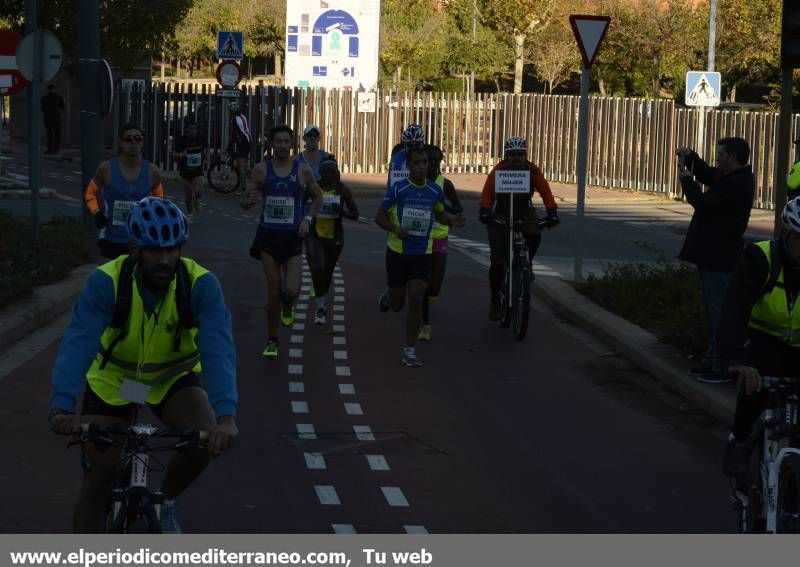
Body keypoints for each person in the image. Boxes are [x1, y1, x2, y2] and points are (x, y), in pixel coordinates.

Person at [48, 196, 238, 534]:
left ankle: (165, 502)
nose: (164, 259)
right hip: (114, 380)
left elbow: (218, 350)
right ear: (135, 250)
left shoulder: (201, 286)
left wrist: (226, 418)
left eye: (172, 249)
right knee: (99, 481)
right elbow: (79, 342)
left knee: (201, 441)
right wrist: (62, 406)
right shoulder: (106, 282)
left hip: (170, 380)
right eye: (154, 250)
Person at [716, 197, 800, 491]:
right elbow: (733, 310)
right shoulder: (761, 258)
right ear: (787, 234)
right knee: (755, 377)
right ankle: (738, 441)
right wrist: (736, 360)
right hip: (763, 345)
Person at [375, 145, 465, 367]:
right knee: (398, 304)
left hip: (421, 252)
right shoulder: (398, 190)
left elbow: (440, 215)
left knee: (416, 296)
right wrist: (395, 230)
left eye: (425, 163)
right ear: (408, 166)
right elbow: (379, 217)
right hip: (397, 252)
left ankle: (409, 349)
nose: (422, 167)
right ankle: (389, 295)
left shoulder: (434, 191)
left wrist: (452, 220)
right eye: (417, 163)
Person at [240, 125, 323, 359]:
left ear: (292, 144)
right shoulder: (261, 170)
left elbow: (319, 198)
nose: (283, 145)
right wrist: (249, 200)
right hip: (268, 236)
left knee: (291, 290)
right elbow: (244, 203)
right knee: (274, 290)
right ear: (272, 144)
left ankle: (289, 304)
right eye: (278, 141)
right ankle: (272, 340)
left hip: (293, 237)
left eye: (287, 141)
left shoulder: (303, 171)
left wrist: (308, 219)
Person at [676, 137, 755, 383]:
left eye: (720, 154)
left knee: (719, 313)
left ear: (732, 157)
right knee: (715, 312)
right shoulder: (732, 178)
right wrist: (691, 158)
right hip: (713, 255)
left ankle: (721, 366)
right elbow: (710, 175)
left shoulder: (737, 184)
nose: (717, 159)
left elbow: (704, 203)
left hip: (718, 257)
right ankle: (712, 360)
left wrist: (686, 181)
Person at [479, 136, 559, 322]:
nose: (516, 158)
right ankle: (495, 301)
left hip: (525, 211)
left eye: (520, 154)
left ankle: (527, 262)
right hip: (501, 213)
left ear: (526, 155)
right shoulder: (498, 170)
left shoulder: (532, 170)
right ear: (506, 156)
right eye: (512, 154)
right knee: (498, 262)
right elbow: (487, 194)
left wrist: (552, 212)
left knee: (535, 232)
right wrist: (485, 211)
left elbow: (545, 192)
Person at [84, 123, 165, 260]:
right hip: (111, 239)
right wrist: (97, 213)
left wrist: (153, 216)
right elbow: (90, 193)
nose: (133, 142)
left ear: (142, 142)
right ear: (121, 143)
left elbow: (159, 198)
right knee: (108, 280)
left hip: (141, 239)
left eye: (137, 139)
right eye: (128, 139)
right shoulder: (106, 168)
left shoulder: (152, 171)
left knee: (138, 280)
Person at [306, 158, 359, 325]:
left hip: (335, 236)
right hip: (315, 234)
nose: (329, 175)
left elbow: (355, 214)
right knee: (318, 267)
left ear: (337, 173)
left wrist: (341, 211)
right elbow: (299, 204)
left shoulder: (343, 190)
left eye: (332, 172)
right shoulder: (313, 188)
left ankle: (322, 297)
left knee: (327, 272)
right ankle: (320, 307)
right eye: (326, 172)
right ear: (320, 173)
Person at [418, 144, 462, 341]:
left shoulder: (446, 184)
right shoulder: (416, 182)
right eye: (430, 160)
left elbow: (458, 207)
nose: (434, 164)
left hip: (439, 237)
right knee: (422, 283)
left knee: (435, 285)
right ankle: (425, 324)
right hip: (419, 238)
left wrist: (443, 207)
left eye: (437, 161)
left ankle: (427, 300)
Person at [174, 120, 207, 222]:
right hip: (185, 171)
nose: (193, 131)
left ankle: (197, 200)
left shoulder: (201, 138)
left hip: (198, 170)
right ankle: (190, 214)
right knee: (188, 194)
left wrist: (206, 155)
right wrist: (180, 155)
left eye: (195, 129)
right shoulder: (181, 140)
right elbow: (174, 155)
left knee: (198, 191)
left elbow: (205, 148)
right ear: (187, 130)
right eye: (191, 129)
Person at [387, 124, 425, 191]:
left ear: (422, 144)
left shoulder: (428, 156)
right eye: (410, 146)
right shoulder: (397, 158)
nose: (414, 149)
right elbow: (392, 183)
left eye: (417, 145)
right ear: (404, 145)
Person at [228, 101, 251, 189]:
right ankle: (253, 177)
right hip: (248, 141)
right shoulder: (243, 116)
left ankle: (243, 188)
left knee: (240, 167)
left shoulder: (233, 120)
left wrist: (229, 145)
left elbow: (232, 134)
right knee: (244, 164)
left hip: (242, 143)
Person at [41, 84, 64, 154]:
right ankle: (56, 149)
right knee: (57, 134)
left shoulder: (43, 98)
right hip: (57, 118)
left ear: (48, 90)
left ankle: (49, 149)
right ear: (54, 89)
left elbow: (42, 109)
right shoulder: (59, 97)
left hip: (47, 118)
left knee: (49, 134)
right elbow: (62, 107)